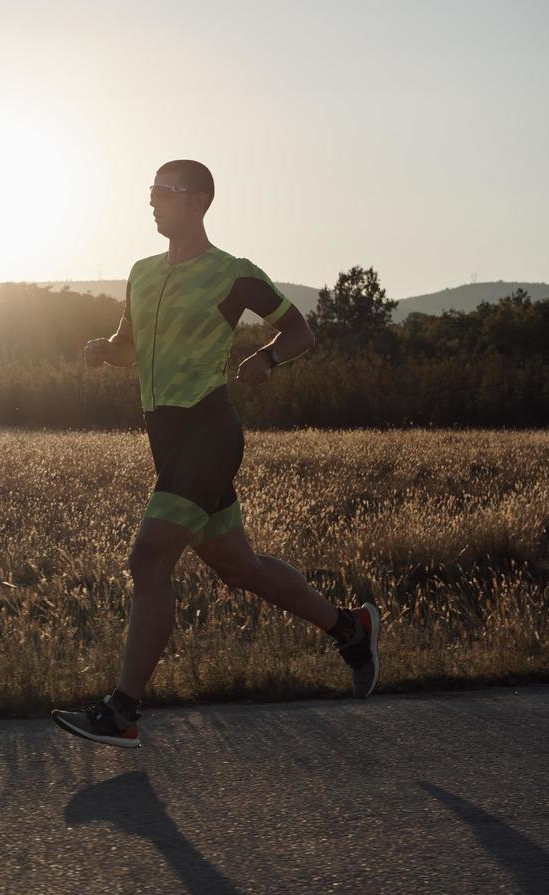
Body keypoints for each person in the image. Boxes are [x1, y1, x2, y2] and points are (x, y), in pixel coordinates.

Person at [51, 159, 380, 748]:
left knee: (148, 561)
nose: (151, 200)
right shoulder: (141, 273)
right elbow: (129, 348)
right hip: (167, 440)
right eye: (148, 191)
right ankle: (350, 629)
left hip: (209, 431)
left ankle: (123, 710)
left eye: (163, 191)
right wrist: (104, 351)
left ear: (198, 201)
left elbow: (300, 331)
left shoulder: (234, 274)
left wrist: (269, 360)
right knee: (240, 569)